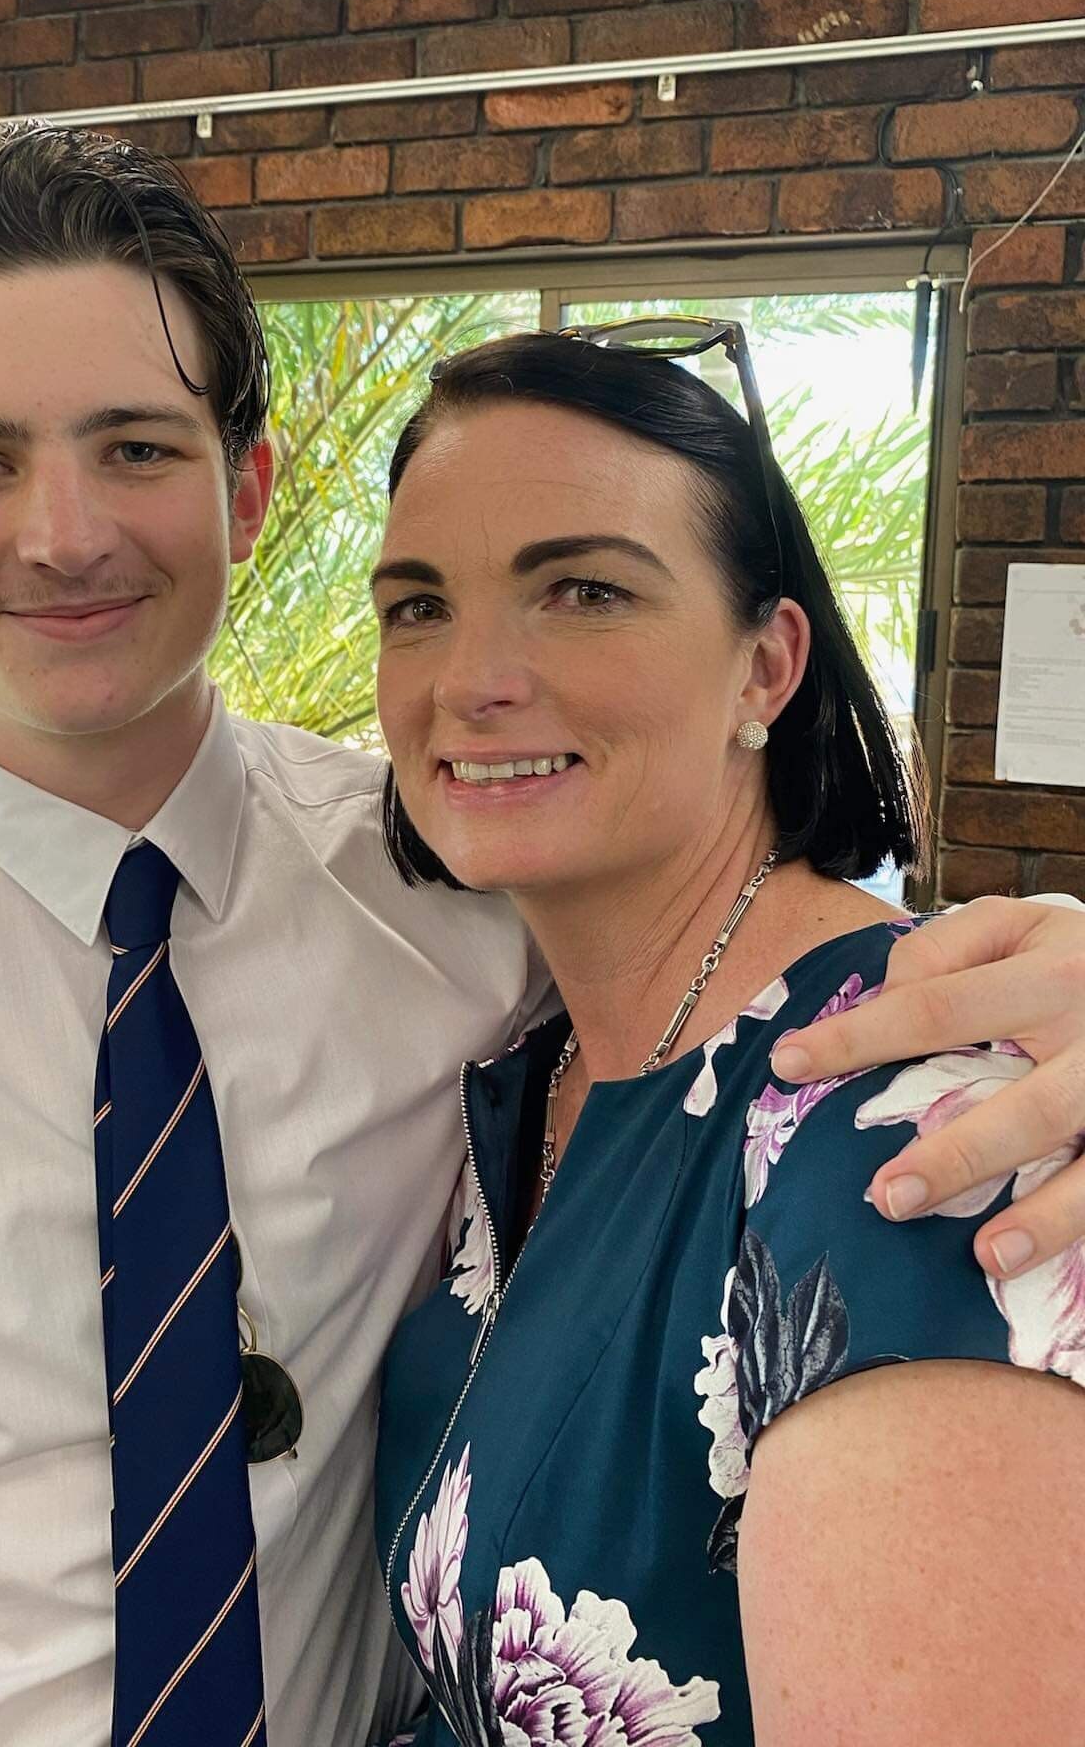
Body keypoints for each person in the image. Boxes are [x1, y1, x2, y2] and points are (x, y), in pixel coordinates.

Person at [0, 129, 1082, 1747]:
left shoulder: (469, 889)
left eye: (134, 447)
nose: (63, 533)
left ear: (249, 485)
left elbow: (753, 985)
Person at [369, 327, 1085, 1747]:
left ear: (767, 667)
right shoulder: (536, 1068)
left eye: (580, 590)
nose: (472, 678)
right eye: (416, 606)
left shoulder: (904, 1120)